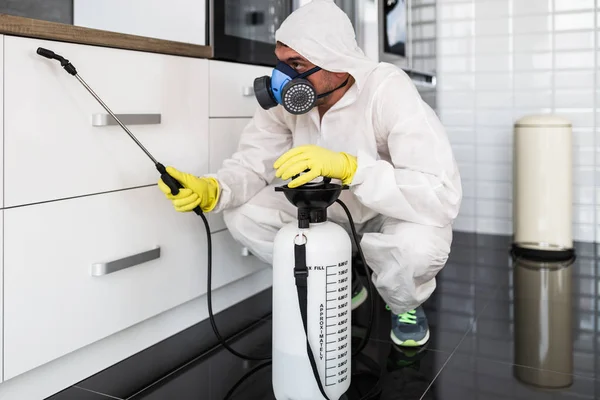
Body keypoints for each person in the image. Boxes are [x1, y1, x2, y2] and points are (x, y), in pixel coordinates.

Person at [158, 0, 462, 347]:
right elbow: (253, 160)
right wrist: (216, 188)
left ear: (337, 62)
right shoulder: (291, 102)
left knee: (417, 247)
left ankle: (404, 303)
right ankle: (342, 280)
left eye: (296, 64)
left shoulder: (387, 90)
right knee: (243, 214)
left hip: (389, 213)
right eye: (281, 62)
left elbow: (439, 193)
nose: (283, 77)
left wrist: (351, 168)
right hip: (328, 212)